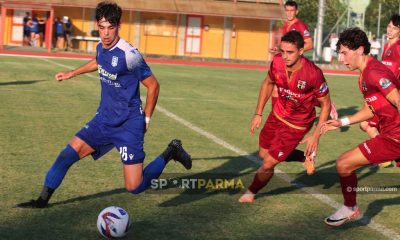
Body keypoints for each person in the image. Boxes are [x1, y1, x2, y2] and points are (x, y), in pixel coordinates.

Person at [15, 1, 192, 209]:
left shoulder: (130, 55)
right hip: (103, 119)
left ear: (118, 26)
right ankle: (41, 201)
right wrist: (72, 73)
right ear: (97, 26)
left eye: (111, 28)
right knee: (67, 155)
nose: (106, 33)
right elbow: (99, 60)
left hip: (128, 124)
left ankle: (171, 151)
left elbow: (153, 86)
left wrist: (146, 118)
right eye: (101, 28)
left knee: (134, 187)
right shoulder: (101, 47)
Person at [238, 30, 332, 203]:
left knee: (268, 163)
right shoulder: (277, 63)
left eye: (290, 52)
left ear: (301, 51)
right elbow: (267, 83)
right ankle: (303, 157)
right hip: (277, 115)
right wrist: (258, 113)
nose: (286, 56)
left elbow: (326, 104)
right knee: (263, 154)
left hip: (298, 124)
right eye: (283, 51)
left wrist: (316, 136)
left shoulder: (313, 73)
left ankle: (251, 192)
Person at [321, 28, 400, 227]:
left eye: (345, 53)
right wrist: (343, 122)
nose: (341, 59)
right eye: (340, 53)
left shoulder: (373, 72)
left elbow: (398, 100)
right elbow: (370, 109)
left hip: (395, 138)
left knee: (343, 164)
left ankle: (349, 207)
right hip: (390, 134)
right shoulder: (364, 74)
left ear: (360, 49)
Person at [270, 0, 338, 121]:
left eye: (292, 10)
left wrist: (294, 52)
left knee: (293, 91)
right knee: (279, 88)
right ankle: (278, 116)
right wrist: (279, 50)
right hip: (288, 63)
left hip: (298, 64)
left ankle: (327, 105)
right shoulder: (286, 25)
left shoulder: (300, 25)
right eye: (287, 10)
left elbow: (310, 44)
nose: (289, 13)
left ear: (297, 11)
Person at [359, 14, 400, 168]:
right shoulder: (387, 47)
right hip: (384, 97)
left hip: (392, 97)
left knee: (366, 124)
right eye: (389, 26)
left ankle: (385, 157)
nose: (390, 30)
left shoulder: (398, 47)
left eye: (394, 28)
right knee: (368, 125)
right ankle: (388, 157)